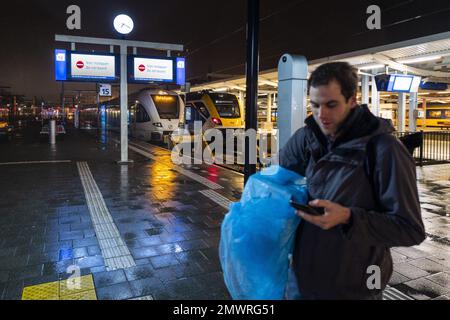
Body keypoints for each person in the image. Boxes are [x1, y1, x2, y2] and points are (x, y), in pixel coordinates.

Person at [280, 62, 425, 300]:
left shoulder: (384, 149)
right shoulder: (308, 137)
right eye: (315, 105)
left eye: (331, 105)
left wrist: (348, 217)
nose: (321, 115)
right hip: (302, 279)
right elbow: (279, 179)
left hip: (354, 285)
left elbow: (410, 230)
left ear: (352, 100)